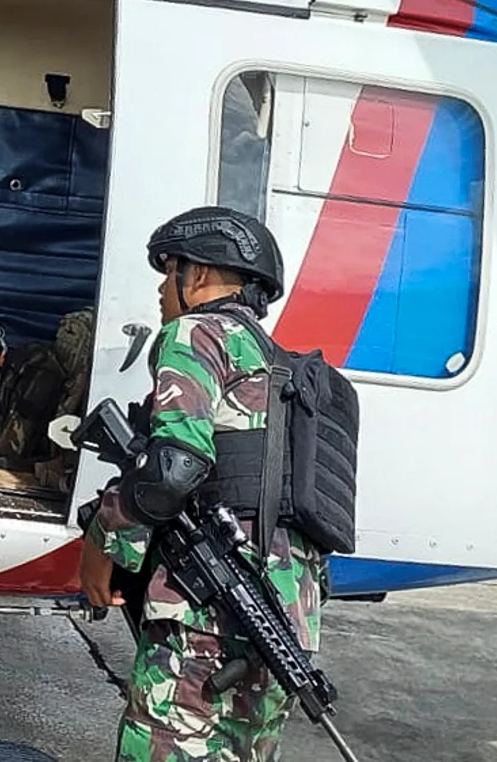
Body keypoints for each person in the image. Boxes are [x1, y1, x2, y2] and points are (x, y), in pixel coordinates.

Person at [75, 207, 326, 762]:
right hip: (286, 619)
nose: (163, 292)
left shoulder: (196, 333)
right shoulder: (277, 366)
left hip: (209, 616)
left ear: (200, 276)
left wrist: (102, 542)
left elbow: (174, 468)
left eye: (170, 274)